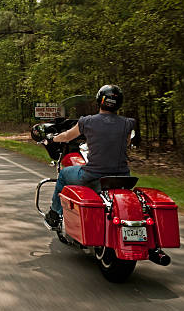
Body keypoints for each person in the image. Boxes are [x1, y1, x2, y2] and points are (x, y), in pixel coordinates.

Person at [45, 85, 136, 229]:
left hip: (94, 176)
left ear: (100, 100)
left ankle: (55, 214)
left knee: (63, 174)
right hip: (122, 177)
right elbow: (126, 144)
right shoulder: (128, 123)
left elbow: (68, 136)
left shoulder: (87, 121)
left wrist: (52, 138)